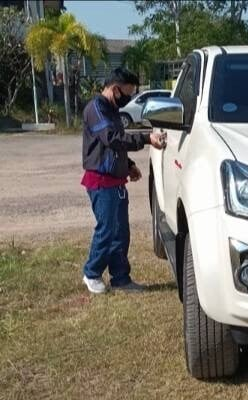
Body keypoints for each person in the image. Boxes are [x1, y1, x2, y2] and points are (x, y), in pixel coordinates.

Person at [80, 67, 166, 294]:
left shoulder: (112, 110)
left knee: (121, 232)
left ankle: (120, 277)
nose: (128, 98)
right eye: (127, 93)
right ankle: (92, 272)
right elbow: (112, 138)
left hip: (116, 181)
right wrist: (147, 138)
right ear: (115, 89)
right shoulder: (96, 109)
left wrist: (128, 166)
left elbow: (112, 147)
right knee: (107, 229)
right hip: (100, 181)